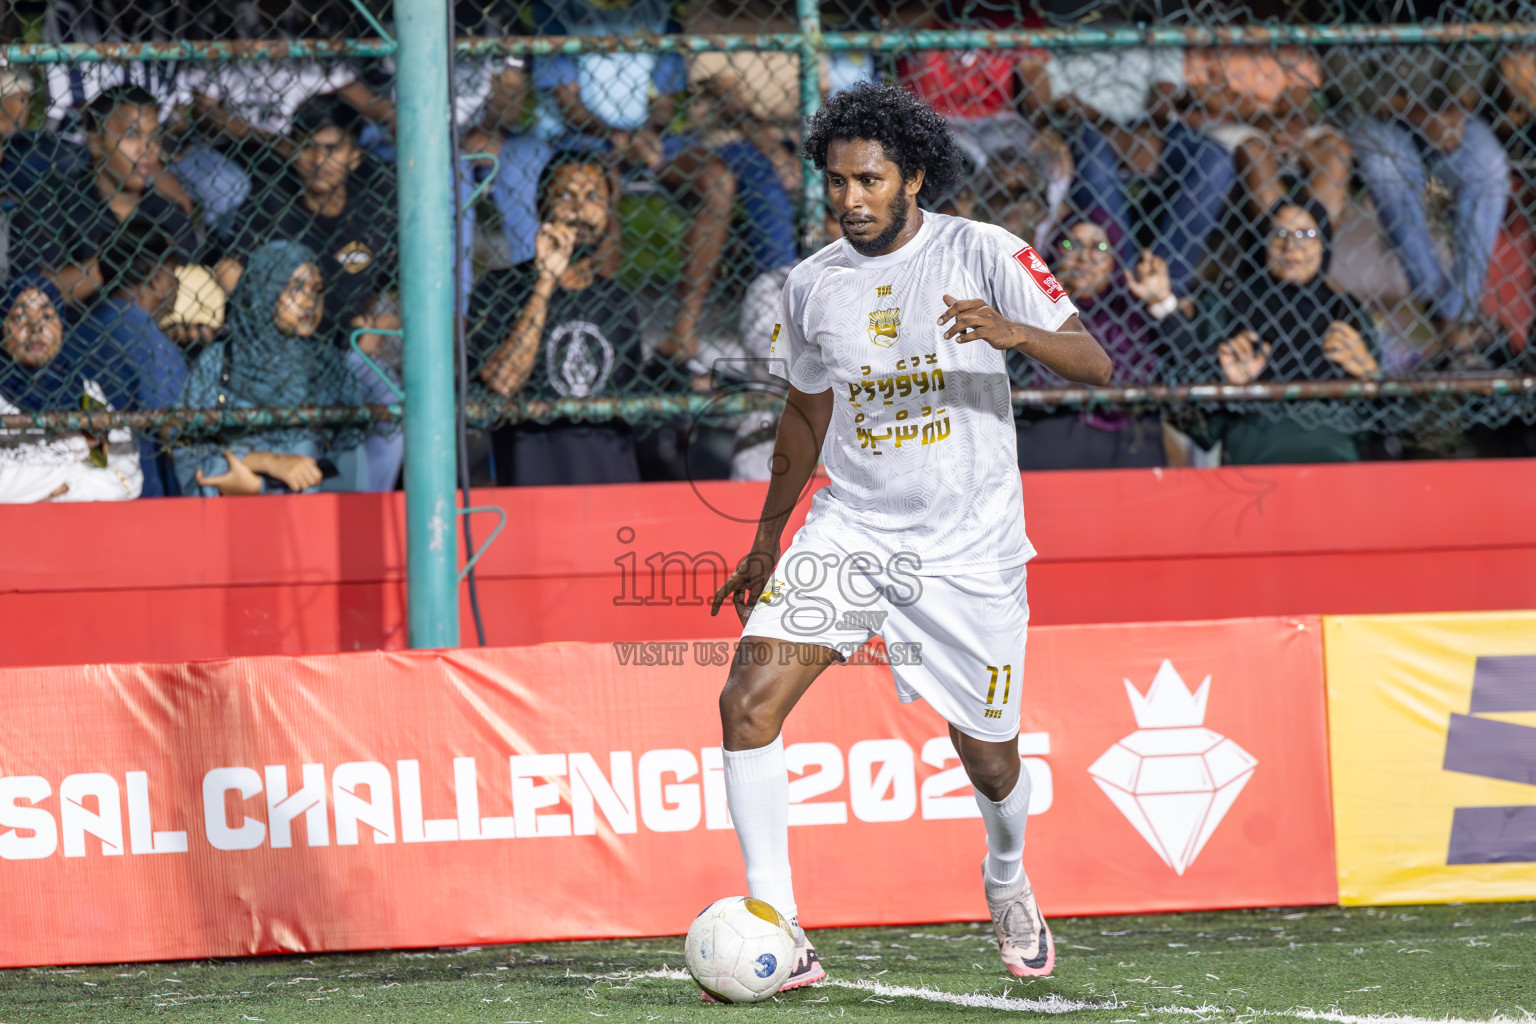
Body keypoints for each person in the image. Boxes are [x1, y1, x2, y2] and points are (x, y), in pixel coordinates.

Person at [707, 83, 1110, 992]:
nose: (851, 198)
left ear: (914, 176)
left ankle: (1006, 880)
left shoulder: (985, 250)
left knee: (991, 754)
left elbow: (1094, 357)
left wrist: (1011, 331)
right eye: (838, 181)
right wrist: (769, 541)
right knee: (746, 702)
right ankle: (779, 925)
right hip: (852, 529)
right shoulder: (810, 287)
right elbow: (805, 417)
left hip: (971, 548)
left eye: (871, 180)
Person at [527, 0, 737, 365]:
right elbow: (568, 103)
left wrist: (646, 135)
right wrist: (616, 136)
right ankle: (606, 328)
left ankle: (682, 331)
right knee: (600, 192)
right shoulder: (556, 10)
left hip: (648, 137)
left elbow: (666, 102)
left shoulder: (659, 11)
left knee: (717, 182)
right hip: (583, 136)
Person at [466, 155, 644, 486]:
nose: (579, 209)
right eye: (566, 195)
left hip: (609, 481)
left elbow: (633, 404)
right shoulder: (501, 288)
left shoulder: (618, 300)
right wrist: (546, 281)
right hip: (533, 479)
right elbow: (503, 381)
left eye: (593, 197)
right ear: (540, 206)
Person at [1160, 199, 1379, 464]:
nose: (1291, 246)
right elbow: (1197, 427)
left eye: (1307, 234)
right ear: (1262, 244)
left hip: (1334, 470)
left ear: (1324, 245)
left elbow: (1387, 425)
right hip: (1254, 467)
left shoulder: (1345, 312)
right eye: (1279, 234)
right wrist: (1224, 384)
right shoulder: (1229, 306)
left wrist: (1371, 375)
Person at [1326, 44, 1510, 358]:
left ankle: (1455, 307)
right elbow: (1352, 84)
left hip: (1445, 115)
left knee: (1489, 168)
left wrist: (1455, 108)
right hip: (1374, 116)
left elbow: (1470, 54)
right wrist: (1418, 113)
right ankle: (1449, 314)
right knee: (1387, 166)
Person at [1019, 42, 1235, 294]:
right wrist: (1115, 133)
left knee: (1214, 160)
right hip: (1084, 122)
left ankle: (1164, 285)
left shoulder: (1147, 13)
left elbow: (1164, 83)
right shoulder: (1062, 20)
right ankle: (1126, 285)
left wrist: (1152, 130)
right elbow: (1060, 97)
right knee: (1093, 160)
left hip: (1148, 124)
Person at [177, 241, 369, 496]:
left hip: (307, 517)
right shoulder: (222, 359)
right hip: (231, 519)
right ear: (263, 290)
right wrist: (265, 462)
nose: (309, 301)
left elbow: (346, 467)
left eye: (317, 290)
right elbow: (189, 455)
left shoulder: (329, 365)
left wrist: (262, 486)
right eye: (295, 288)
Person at [9, 85, 211, 307]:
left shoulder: (165, 212)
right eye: (132, 135)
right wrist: (115, 265)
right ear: (96, 142)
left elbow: (188, 290)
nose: (147, 149)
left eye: (153, 137)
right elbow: (29, 292)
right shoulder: (52, 200)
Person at [227, 95, 398, 345]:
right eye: (308, 148)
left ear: (354, 156)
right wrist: (259, 317)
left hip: (351, 340)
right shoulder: (272, 195)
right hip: (279, 337)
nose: (319, 161)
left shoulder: (378, 198)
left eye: (331, 150)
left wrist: (378, 324)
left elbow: (407, 289)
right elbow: (229, 269)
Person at [1015, 213, 1167, 469]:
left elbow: (1181, 367)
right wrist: (1047, 305)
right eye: (1069, 244)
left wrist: (1161, 303)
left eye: (1099, 247)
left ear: (1115, 261)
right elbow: (1017, 373)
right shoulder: (1029, 308)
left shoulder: (1137, 314)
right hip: (1051, 439)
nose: (1084, 257)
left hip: (1130, 443)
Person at [0, 275, 142, 502]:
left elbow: (129, 482)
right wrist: (74, 445)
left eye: (47, 315)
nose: (36, 327)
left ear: (62, 324)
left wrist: (69, 487)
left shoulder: (84, 390)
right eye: (20, 316)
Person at [74, 221, 186, 496]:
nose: (178, 284)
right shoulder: (151, 344)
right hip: (145, 489)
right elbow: (175, 431)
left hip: (88, 480)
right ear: (157, 278)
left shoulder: (84, 328)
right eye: (174, 273)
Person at [1183, 45, 1352, 225]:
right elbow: (1209, 98)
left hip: (1282, 121)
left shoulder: (1290, 38)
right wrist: (1261, 121)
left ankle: (1313, 242)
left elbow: (1297, 96)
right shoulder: (1208, 43)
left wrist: (1281, 122)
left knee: (1336, 150)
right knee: (1254, 151)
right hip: (1231, 121)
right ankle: (1282, 235)